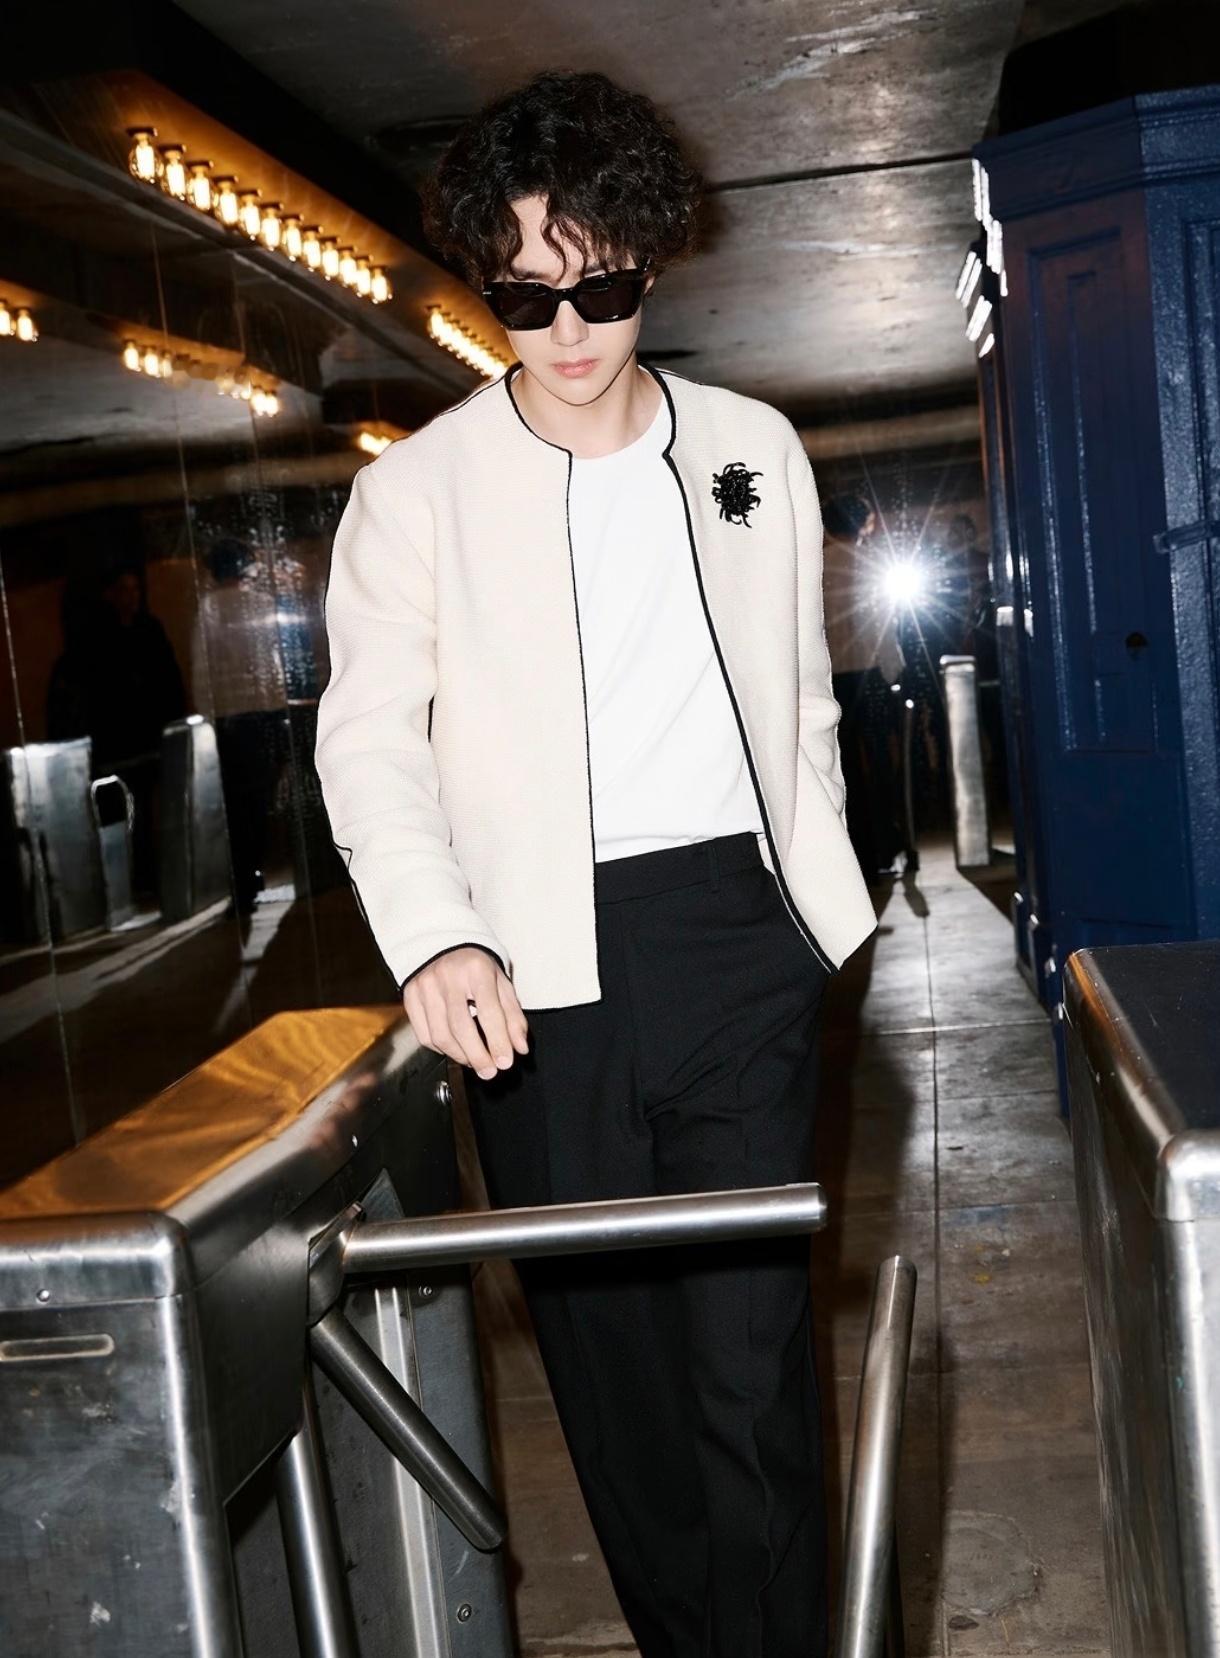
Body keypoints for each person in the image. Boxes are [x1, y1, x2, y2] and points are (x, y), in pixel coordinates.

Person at [315, 70, 878, 1658]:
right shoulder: (412, 494)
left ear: (652, 258)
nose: (567, 331)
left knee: (753, 1367)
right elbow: (369, 743)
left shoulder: (751, 446)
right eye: (523, 297)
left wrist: (810, 907)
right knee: (619, 1393)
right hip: (535, 976)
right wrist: (436, 935)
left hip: (739, 939)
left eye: (603, 288)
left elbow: (802, 701)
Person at [821, 491, 913, 878]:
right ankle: (886, 848)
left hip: (830, 680)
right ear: (863, 523)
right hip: (870, 676)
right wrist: (895, 673)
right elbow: (883, 627)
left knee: (842, 771)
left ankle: (857, 856)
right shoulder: (870, 564)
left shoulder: (815, 565)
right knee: (880, 765)